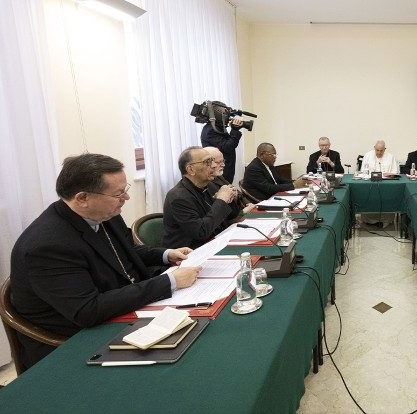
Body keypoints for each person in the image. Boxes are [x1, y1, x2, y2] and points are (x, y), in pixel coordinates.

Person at [10, 154, 201, 370]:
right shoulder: (47, 246)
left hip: (124, 311)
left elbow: (127, 251)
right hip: (76, 344)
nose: (126, 198)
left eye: (125, 189)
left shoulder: (103, 213)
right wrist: (168, 282)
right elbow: (87, 310)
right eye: (119, 193)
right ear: (82, 198)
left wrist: (166, 254)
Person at [163, 147, 243, 249]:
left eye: (213, 161)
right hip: (190, 254)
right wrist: (221, 200)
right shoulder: (178, 197)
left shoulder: (209, 185)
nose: (214, 165)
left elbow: (231, 216)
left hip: (215, 243)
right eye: (207, 162)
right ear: (191, 169)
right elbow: (201, 232)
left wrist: (230, 197)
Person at [242, 143, 309, 201]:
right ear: (262, 155)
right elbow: (269, 188)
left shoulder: (269, 164)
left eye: (275, 155)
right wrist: (294, 185)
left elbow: (279, 180)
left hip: (275, 195)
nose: (275, 157)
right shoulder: (253, 168)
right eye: (272, 155)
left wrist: (296, 181)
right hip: (265, 200)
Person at [199, 101, 246, 183]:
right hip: (217, 174)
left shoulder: (217, 128)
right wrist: (234, 130)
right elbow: (228, 147)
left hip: (224, 170)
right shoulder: (210, 130)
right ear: (217, 114)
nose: (227, 115)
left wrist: (234, 129)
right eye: (224, 113)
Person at [204, 146, 256, 211]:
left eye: (223, 161)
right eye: (218, 162)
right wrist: (243, 212)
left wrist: (248, 204)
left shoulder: (218, 176)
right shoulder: (205, 182)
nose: (223, 165)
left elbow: (237, 192)